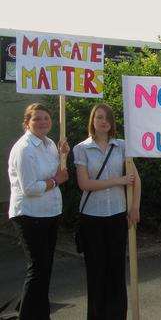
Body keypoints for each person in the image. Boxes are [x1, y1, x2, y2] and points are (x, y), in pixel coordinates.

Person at [73, 103, 141, 320]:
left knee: (116, 270)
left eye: (107, 118)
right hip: (92, 217)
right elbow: (85, 184)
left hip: (117, 215)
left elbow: (136, 180)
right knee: (96, 271)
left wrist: (135, 207)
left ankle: (117, 315)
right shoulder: (81, 148)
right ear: (92, 120)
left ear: (112, 123)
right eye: (99, 117)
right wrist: (117, 180)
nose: (103, 121)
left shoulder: (122, 146)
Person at [8, 103, 69, 320]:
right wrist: (55, 180)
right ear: (27, 123)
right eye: (37, 119)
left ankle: (41, 315)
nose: (42, 122)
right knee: (37, 270)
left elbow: (57, 173)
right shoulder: (24, 148)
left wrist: (63, 156)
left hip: (50, 213)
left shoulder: (50, 143)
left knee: (45, 269)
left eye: (46, 118)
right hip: (30, 215)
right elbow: (31, 188)